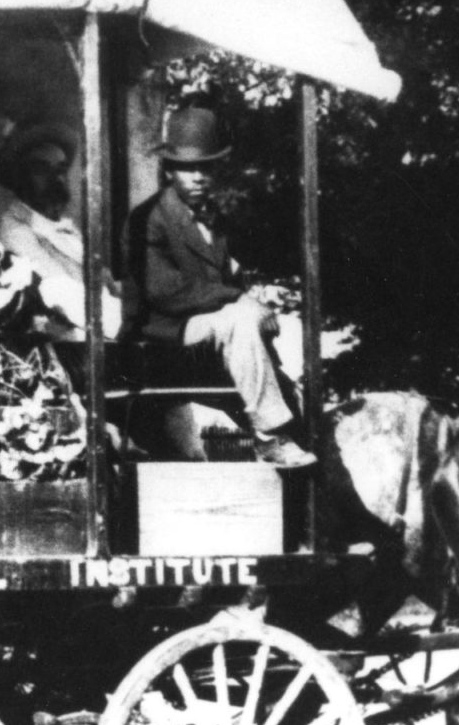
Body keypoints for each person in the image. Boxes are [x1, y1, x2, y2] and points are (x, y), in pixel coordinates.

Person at [124, 105, 316, 468]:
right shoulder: (147, 219)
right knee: (240, 319)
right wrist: (241, 300)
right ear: (168, 169)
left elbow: (225, 280)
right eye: (187, 168)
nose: (198, 177)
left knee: (257, 326)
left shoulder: (215, 217)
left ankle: (290, 420)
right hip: (160, 337)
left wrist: (250, 302)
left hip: (203, 335)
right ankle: (271, 437)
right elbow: (164, 291)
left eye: (206, 167)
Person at [0, 119, 121, 340]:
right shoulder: (14, 231)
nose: (56, 179)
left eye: (61, 169)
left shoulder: (64, 227)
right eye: (42, 169)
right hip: (65, 343)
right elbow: (67, 295)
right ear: (19, 177)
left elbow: (104, 286)